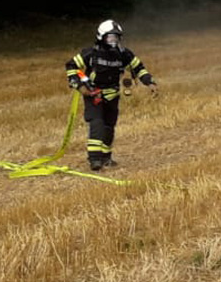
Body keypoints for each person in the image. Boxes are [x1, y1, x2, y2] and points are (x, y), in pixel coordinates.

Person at [64, 20, 158, 171]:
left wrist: (150, 82)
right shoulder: (90, 54)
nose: (113, 41)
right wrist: (79, 85)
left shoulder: (124, 55)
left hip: (112, 95)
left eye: (116, 37)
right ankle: (94, 159)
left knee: (109, 127)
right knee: (97, 124)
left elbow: (138, 68)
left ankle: (106, 157)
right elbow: (71, 66)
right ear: (102, 37)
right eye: (110, 37)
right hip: (93, 94)